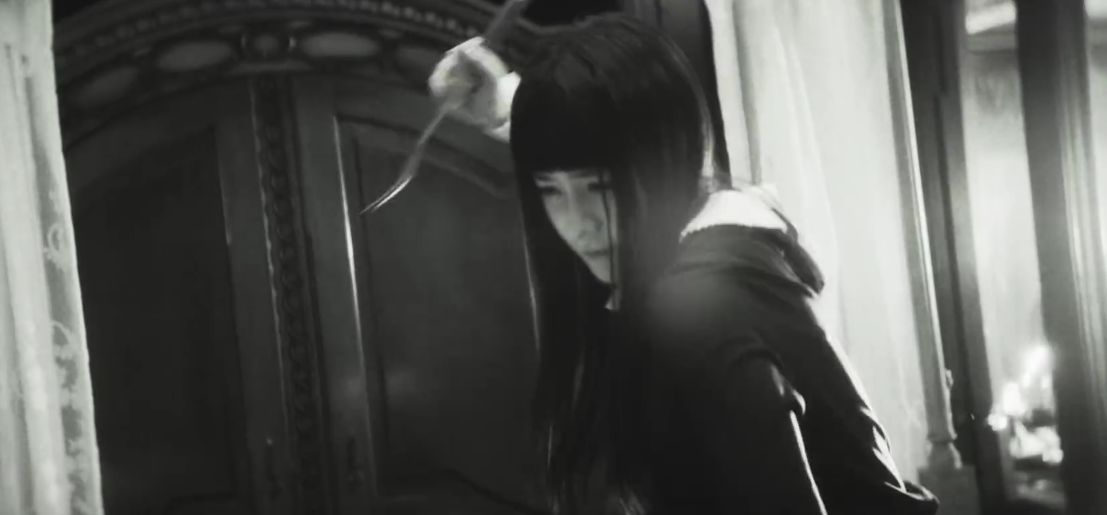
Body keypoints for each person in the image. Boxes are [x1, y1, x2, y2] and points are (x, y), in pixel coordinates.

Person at [429, 13, 940, 515]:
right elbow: (616, 139)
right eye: (550, 191)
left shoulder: (700, 309)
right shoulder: (725, 237)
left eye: (598, 186)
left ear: (659, 165)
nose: (578, 224)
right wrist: (509, 107)